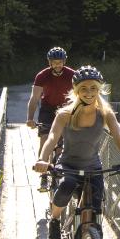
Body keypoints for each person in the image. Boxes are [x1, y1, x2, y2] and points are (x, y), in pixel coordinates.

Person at [32, 65, 120, 239]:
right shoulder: (64, 114)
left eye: (93, 88)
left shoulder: (106, 114)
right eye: (83, 88)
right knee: (66, 186)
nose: (88, 92)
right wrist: (43, 159)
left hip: (93, 166)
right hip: (68, 165)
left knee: (97, 202)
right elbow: (52, 138)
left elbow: (119, 137)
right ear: (76, 91)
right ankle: (55, 219)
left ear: (99, 90)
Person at [27, 47, 74, 191]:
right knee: (45, 139)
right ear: (50, 63)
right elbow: (34, 98)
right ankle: (43, 175)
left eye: (60, 62)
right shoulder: (42, 76)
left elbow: (79, 96)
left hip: (65, 110)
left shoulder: (72, 75)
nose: (57, 65)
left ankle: (58, 173)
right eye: (54, 62)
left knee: (61, 144)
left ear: (64, 62)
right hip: (47, 109)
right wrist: (30, 118)